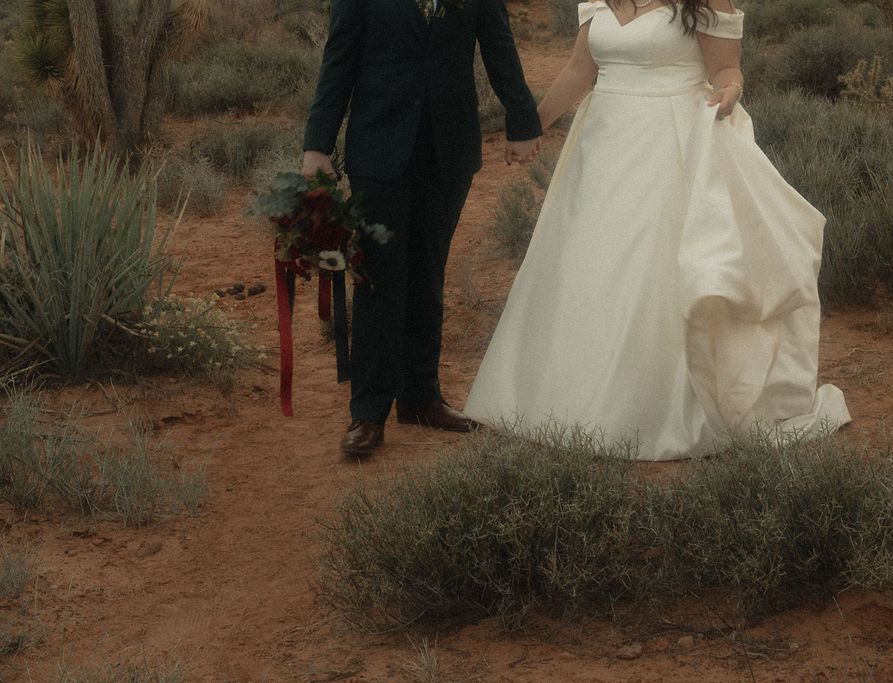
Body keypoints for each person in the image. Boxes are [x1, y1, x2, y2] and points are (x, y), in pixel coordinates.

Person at [463, 0, 851, 460]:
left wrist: (730, 92)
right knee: (588, 267)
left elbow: (728, 69)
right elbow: (577, 70)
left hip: (671, 147)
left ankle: (644, 409)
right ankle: (565, 399)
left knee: (651, 271)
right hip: (603, 147)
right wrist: (530, 125)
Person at [302, 0, 542, 457]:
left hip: (448, 147)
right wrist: (318, 144)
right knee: (378, 277)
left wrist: (521, 117)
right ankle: (369, 412)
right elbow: (339, 60)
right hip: (379, 146)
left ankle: (419, 397)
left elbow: (498, 45)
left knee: (429, 271)